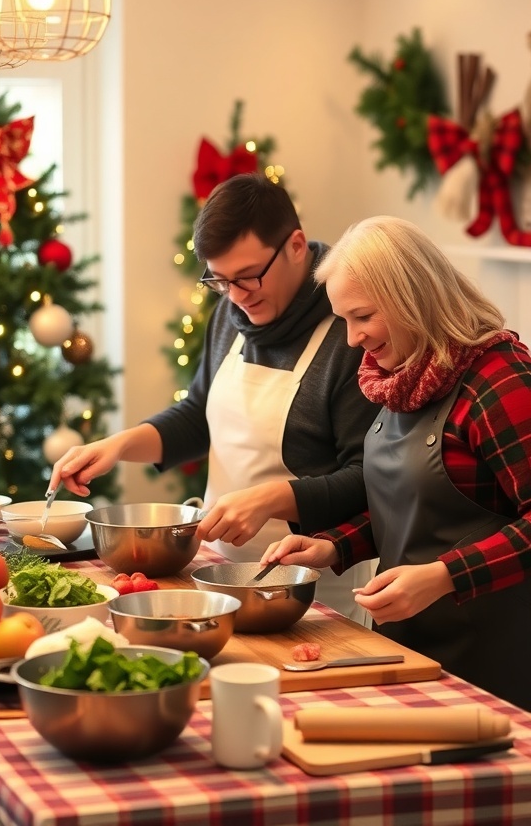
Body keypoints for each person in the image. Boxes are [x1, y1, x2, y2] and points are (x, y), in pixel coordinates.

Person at [48, 173, 379, 617]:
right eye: (220, 280)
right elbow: (197, 415)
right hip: (217, 573)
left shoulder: (349, 336)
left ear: (297, 245)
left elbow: (369, 479)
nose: (236, 296)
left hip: (312, 592)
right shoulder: (231, 313)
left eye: (248, 277)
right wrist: (119, 446)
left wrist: (272, 498)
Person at [260, 214, 531, 710]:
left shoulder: (501, 381)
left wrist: (444, 575)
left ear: (413, 298)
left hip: (494, 666)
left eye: (362, 316)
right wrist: (332, 547)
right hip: (407, 648)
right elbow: (415, 505)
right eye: (344, 319)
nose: (351, 339)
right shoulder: (403, 375)